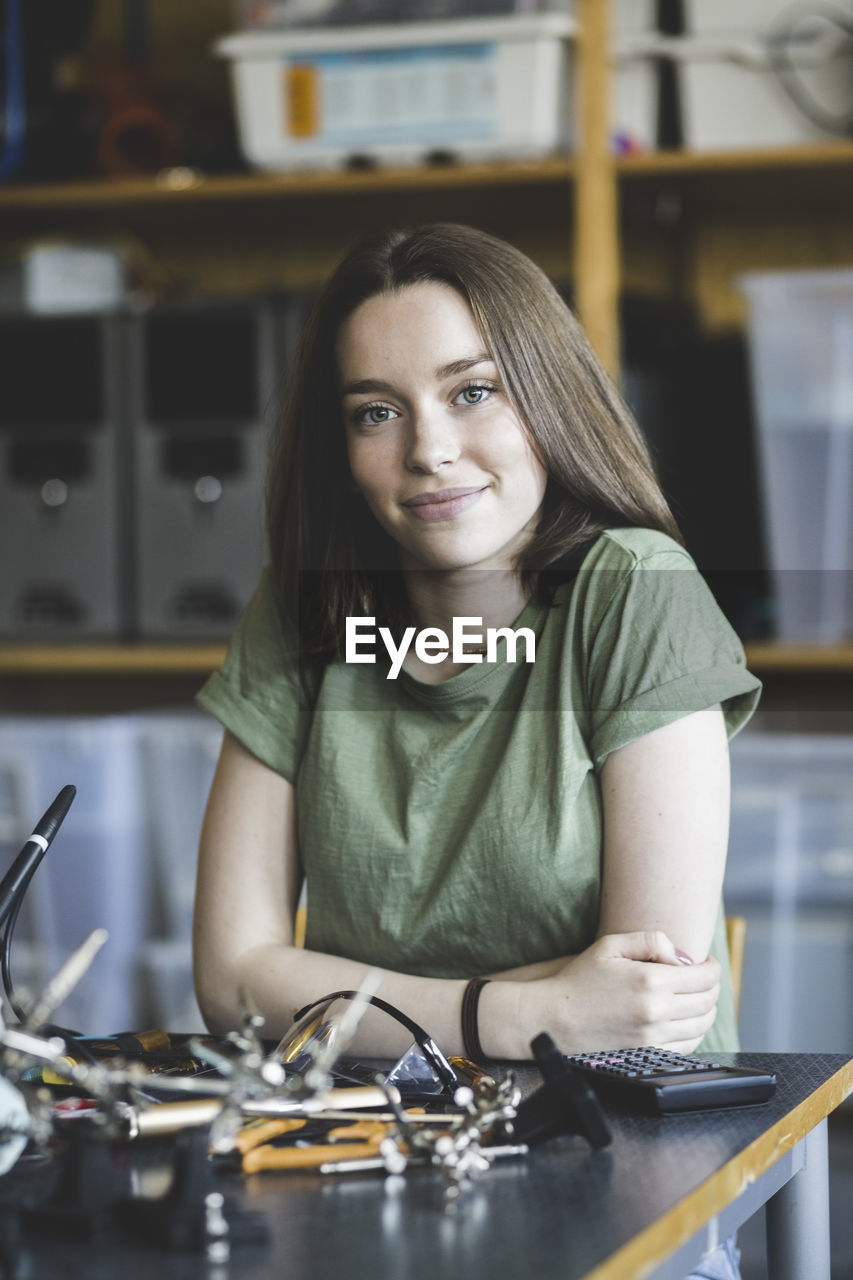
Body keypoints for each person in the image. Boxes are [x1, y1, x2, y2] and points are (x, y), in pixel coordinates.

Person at [193, 221, 761, 1072]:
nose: (430, 451)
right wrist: (523, 1012)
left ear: (547, 396)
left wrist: (324, 994)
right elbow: (233, 981)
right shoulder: (302, 607)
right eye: (376, 413)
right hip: (380, 1128)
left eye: (472, 392)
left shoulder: (635, 588)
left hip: (623, 1130)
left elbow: (642, 1005)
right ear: (341, 451)